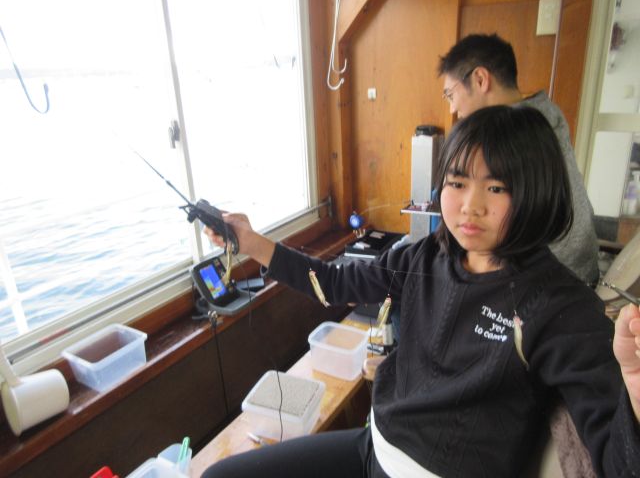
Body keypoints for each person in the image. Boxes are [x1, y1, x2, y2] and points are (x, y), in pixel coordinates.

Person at [201, 106, 640, 478]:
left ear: (536, 193)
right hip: (372, 449)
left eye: (496, 187)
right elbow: (333, 283)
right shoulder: (425, 256)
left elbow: (619, 460)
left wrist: (635, 394)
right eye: (457, 183)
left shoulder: (561, 307)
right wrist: (252, 243)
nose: (470, 206)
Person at [438, 33, 599, 285]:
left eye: (450, 94)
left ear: (480, 79)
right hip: (582, 264)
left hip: (553, 277)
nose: (452, 109)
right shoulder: (544, 112)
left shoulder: (522, 137)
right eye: (458, 183)